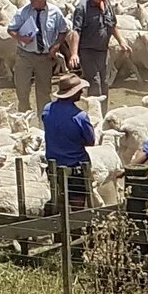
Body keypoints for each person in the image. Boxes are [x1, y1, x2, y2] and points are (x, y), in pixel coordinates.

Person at [7, 0, 69, 112]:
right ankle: (24, 113)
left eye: (35, 0)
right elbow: (11, 29)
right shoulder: (23, 12)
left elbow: (63, 30)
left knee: (44, 91)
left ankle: (43, 120)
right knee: (22, 88)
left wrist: (56, 46)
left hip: (45, 57)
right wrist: (21, 37)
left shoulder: (55, 12)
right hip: (25, 55)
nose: (32, 2)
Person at [41, 75, 97, 210]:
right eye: (79, 90)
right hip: (75, 166)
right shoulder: (80, 117)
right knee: (77, 203)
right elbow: (91, 141)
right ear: (71, 94)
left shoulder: (47, 110)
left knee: (59, 199)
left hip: (54, 164)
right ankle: (76, 228)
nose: (82, 92)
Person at [68, 0, 118, 97]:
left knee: (105, 82)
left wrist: (122, 42)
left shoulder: (107, 4)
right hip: (87, 50)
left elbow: (112, 25)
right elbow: (76, 31)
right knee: (94, 81)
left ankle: (103, 113)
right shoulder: (82, 7)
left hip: (103, 50)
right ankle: (95, 112)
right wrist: (74, 53)